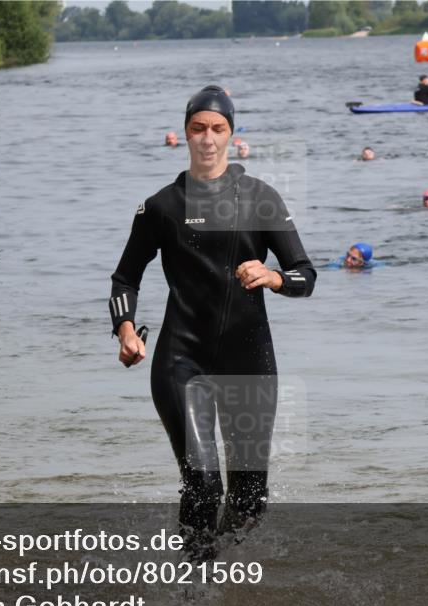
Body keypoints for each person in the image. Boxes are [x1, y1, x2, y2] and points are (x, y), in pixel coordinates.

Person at [109, 85, 316, 561]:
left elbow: (307, 275)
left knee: (248, 504)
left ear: (231, 134)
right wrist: (125, 329)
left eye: (217, 129)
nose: (207, 138)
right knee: (202, 482)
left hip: (249, 361)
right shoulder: (161, 206)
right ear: (185, 133)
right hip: (182, 360)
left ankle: (218, 578)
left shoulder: (262, 198)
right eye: (198, 128)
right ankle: (192, 593)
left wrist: (273, 276)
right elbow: (125, 278)